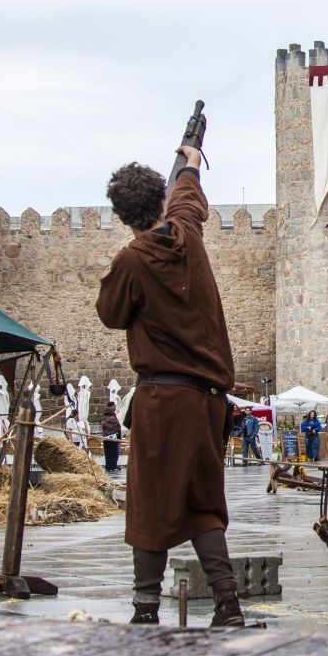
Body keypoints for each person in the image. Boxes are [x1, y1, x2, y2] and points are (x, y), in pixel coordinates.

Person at [96, 147, 245, 627]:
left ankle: (145, 609)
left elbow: (110, 314)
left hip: (163, 400)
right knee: (203, 503)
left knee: (150, 503)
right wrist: (191, 158)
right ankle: (227, 604)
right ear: (159, 200)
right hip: (208, 402)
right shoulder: (187, 231)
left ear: (122, 215)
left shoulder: (132, 260)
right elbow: (188, 190)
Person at [100, 402, 123, 473]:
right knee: (114, 452)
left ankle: (108, 466)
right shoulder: (113, 418)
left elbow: (104, 427)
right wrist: (119, 435)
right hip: (113, 437)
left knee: (107, 452)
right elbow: (117, 427)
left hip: (105, 437)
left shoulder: (103, 418)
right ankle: (113, 465)